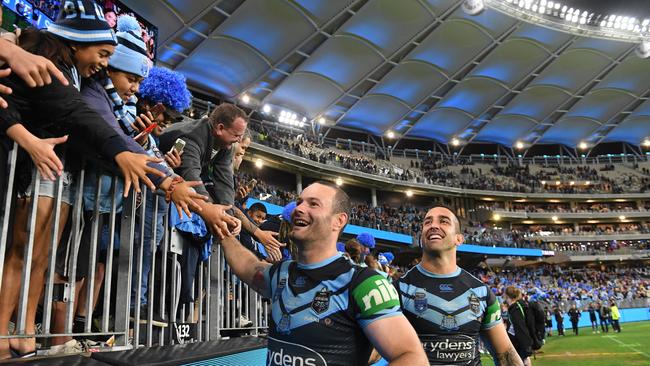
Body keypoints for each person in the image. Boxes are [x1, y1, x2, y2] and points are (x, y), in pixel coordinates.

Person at [0, 1, 165, 359]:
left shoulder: (79, 74)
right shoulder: (44, 55)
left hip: (61, 174)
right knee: (20, 251)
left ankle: (25, 331)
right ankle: (1, 332)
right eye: (103, 54)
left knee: (41, 257)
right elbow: (71, 113)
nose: (104, 64)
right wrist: (27, 139)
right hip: (38, 169)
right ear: (77, 42)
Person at [218, 181, 428, 365]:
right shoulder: (281, 273)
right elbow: (249, 266)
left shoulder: (364, 283)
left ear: (338, 220)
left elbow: (411, 357)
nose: (299, 208)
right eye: (299, 202)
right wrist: (222, 231)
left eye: (313, 203)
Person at [395, 206, 524, 365]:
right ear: (421, 237)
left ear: (459, 239)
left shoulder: (481, 291)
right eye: (427, 222)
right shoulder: (400, 289)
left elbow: (505, 353)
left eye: (443, 221)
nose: (433, 225)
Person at [158, 103, 245, 240]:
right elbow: (193, 179)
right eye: (237, 135)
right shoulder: (192, 137)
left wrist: (228, 214)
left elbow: (225, 183)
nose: (239, 140)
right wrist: (211, 212)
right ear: (220, 128)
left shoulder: (226, 145)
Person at [502, 287, 534, 366]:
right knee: (525, 360)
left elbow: (520, 327)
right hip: (520, 341)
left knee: (524, 360)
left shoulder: (516, 308)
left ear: (507, 296)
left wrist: (525, 345)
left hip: (520, 342)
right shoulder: (515, 307)